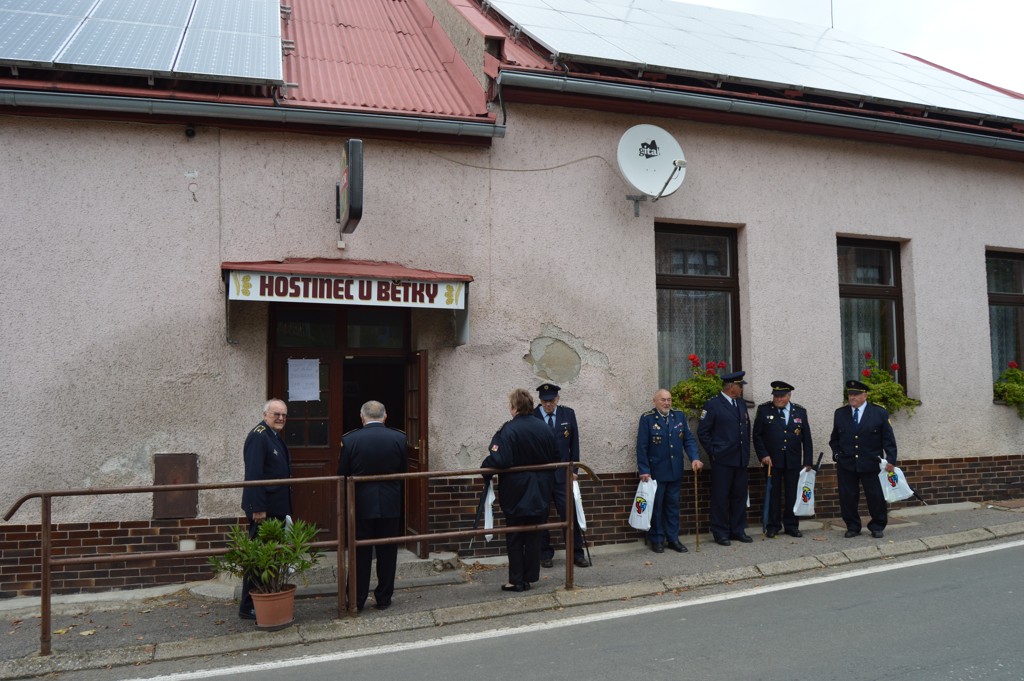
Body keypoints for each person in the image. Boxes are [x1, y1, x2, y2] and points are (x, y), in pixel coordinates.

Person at [482, 388, 558, 592]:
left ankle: (516, 580)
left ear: (514, 407)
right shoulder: (544, 428)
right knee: (534, 534)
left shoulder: (508, 430)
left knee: (515, 535)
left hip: (516, 491)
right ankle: (530, 576)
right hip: (540, 490)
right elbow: (556, 456)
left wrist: (485, 465)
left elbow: (501, 459)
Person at [337, 400, 407, 611]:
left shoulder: (350, 439)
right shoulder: (399, 438)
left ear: (362, 417)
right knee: (388, 552)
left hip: (360, 504)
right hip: (390, 502)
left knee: (360, 553)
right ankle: (384, 598)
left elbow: (342, 473)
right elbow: (403, 469)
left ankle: (356, 599)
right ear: (385, 416)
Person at [239, 398, 292, 620]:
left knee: (270, 556)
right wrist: (258, 508)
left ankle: (266, 597)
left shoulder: (273, 436)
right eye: (276, 414)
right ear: (264, 415)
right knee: (259, 557)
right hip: (264, 510)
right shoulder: (259, 436)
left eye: (284, 415)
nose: (280, 418)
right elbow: (254, 474)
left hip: (275, 506)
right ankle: (249, 605)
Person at [636, 388, 703, 553]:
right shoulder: (647, 418)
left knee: (673, 507)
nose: (667, 403)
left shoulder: (678, 416)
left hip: (675, 471)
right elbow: (642, 447)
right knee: (657, 507)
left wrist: (694, 458)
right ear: (655, 401)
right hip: (656, 472)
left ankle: (673, 539)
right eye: (663, 400)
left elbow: (688, 440)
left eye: (669, 400)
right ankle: (657, 539)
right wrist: (644, 469)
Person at [829, 380, 898, 539]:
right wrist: (837, 455)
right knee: (848, 497)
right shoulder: (840, 413)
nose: (852, 397)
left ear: (865, 395)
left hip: (871, 463)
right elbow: (834, 439)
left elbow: (888, 439)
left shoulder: (879, 412)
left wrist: (891, 459)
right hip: (847, 463)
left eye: (856, 394)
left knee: (875, 496)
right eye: (850, 394)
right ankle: (853, 526)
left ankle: (877, 526)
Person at [533, 383, 589, 568]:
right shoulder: (533, 416)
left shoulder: (568, 414)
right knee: (541, 515)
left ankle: (576, 553)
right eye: (544, 401)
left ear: (557, 399)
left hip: (563, 475)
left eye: (551, 400)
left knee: (569, 514)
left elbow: (574, 445)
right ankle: (544, 554)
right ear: (540, 400)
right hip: (540, 476)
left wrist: (574, 471)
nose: (548, 404)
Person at [697, 371, 753, 546]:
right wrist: (714, 451)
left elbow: (746, 429)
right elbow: (703, 431)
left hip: (740, 459)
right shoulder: (713, 404)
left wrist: (746, 452)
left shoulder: (740, 404)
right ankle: (720, 532)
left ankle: (737, 530)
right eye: (740, 386)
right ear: (731, 387)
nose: (742, 389)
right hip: (722, 460)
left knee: (739, 496)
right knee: (721, 497)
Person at [752, 381, 813, 539]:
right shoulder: (764, 410)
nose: (778, 399)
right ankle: (773, 526)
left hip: (793, 460)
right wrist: (763, 455)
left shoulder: (800, 411)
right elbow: (757, 435)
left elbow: (806, 438)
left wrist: (808, 461)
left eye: (781, 396)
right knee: (774, 494)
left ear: (789, 396)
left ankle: (791, 525)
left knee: (792, 494)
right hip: (772, 461)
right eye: (776, 396)